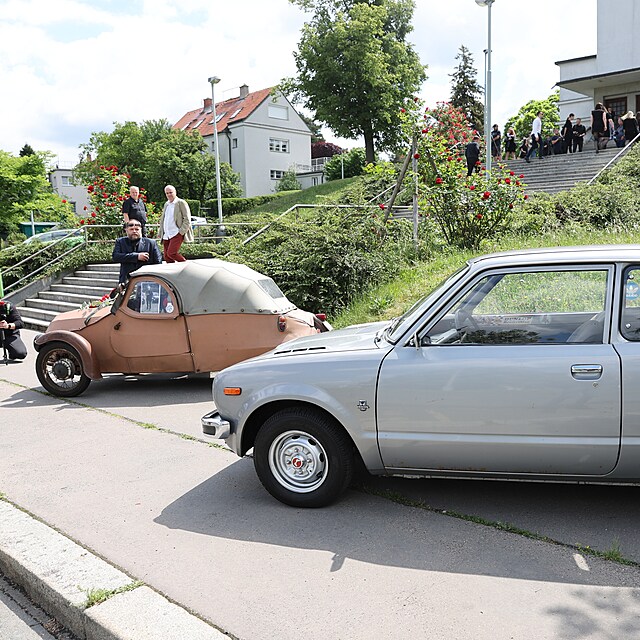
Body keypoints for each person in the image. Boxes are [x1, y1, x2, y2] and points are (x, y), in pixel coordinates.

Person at [112, 220, 162, 284]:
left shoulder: (151, 243)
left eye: (137, 229)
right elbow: (115, 257)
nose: (134, 231)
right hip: (127, 281)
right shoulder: (120, 242)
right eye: (131, 229)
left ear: (140, 229)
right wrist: (136, 256)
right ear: (126, 230)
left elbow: (158, 262)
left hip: (147, 280)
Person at [158, 185, 193, 263]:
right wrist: (161, 231)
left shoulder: (181, 203)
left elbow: (187, 219)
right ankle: (172, 273)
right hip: (167, 234)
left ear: (175, 192)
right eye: (167, 193)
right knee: (167, 256)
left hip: (176, 232)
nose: (169, 195)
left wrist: (181, 232)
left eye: (171, 192)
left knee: (172, 253)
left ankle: (185, 265)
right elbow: (164, 219)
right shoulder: (166, 204)